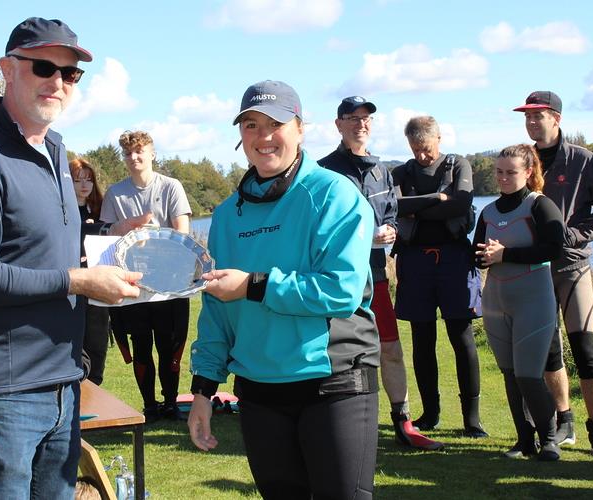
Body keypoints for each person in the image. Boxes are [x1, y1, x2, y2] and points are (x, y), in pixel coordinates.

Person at [0, 17, 141, 498]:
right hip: (1, 396)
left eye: (70, 74)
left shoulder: (55, 149)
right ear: (7, 69)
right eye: (44, 67)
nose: (57, 82)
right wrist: (79, 281)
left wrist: (113, 262)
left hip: (64, 383)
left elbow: (48, 251)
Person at [188, 80, 379, 499]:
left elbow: (341, 291)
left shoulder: (335, 195)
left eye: (275, 123)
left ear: (300, 128)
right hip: (258, 389)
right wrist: (203, 388)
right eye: (251, 125)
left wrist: (254, 286)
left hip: (334, 382)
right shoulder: (225, 215)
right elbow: (217, 308)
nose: (263, 136)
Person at [319, 96, 443, 451]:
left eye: (366, 118)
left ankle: (403, 422)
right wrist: (363, 236)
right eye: (352, 118)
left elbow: (390, 213)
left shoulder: (381, 170)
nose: (361, 124)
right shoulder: (324, 171)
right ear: (338, 124)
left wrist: (389, 229)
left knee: (389, 348)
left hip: (376, 275)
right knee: (338, 351)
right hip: (337, 278)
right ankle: (334, 420)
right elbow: (317, 229)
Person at [513, 91, 593, 460]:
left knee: (585, 350)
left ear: (556, 118)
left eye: (538, 116)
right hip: (533, 268)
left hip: (571, 266)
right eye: (527, 116)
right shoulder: (524, 159)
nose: (531, 122)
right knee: (548, 351)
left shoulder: (583, 160)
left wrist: (572, 234)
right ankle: (562, 420)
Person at [392, 116, 487, 437]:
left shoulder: (458, 165)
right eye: (416, 150)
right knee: (422, 339)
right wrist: (437, 200)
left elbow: (461, 203)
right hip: (414, 260)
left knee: (462, 338)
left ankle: (471, 420)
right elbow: (394, 208)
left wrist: (417, 206)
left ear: (439, 139)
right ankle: (430, 414)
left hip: (454, 260)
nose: (421, 156)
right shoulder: (401, 172)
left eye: (427, 149)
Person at [473, 144, 564, 460]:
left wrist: (506, 254)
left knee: (528, 374)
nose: (503, 178)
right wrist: (485, 257)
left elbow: (555, 248)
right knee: (510, 374)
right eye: (499, 172)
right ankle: (524, 441)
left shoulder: (540, 205)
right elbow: (478, 256)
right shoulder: (488, 212)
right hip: (497, 301)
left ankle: (550, 439)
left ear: (527, 172)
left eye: (511, 172)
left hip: (533, 300)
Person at [100, 130, 192, 421]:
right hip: (133, 286)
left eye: (140, 151)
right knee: (141, 348)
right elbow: (105, 236)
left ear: (152, 153)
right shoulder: (115, 193)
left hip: (169, 286)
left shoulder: (171, 187)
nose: (134, 157)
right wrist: (126, 227)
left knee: (169, 347)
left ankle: (171, 404)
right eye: (128, 153)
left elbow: (183, 234)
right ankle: (149, 406)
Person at [69, 157, 110, 385]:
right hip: (71, 284)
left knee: (97, 339)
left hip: (97, 285)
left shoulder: (101, 209)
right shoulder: (60, 212)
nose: (84, 185)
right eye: (77, 180)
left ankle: (95, 383)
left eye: (89, 180)